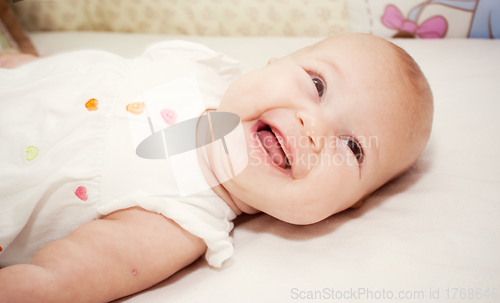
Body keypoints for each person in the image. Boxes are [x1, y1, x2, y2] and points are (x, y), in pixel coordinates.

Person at [0, 33, 433, 303]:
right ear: (272, 62)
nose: (313, 125)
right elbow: (63, 71)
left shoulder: (176, 222)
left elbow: (53, 282)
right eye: (317, 85)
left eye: (353, 147)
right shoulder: (196, 67)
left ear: (344, 208)